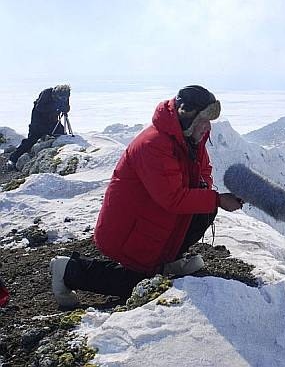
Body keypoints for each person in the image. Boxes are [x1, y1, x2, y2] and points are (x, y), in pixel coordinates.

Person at [50, 85, 243, 307]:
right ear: (187, 116)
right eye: (203, 119)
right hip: (128, 231)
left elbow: (203, 169)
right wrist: (216, 199)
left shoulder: (189, 138)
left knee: (203, 208)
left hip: (152, 220)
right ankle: (68, 270)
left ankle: (166, 262)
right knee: (137, 285)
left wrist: (204, 188)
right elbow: (173, 198)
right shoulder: (154, 145)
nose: (207, 126)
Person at [8, 84, 71, 168]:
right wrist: (56, 108)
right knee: (31, 140)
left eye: (64, 98)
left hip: (52, 120)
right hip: (38, 121)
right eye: (60, 97)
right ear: (56, 93)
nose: (62, 99)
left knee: (62, 135)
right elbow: (40, 107)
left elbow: (66, 107)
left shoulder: (64, 95)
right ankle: (13, 159)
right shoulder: (46, 93)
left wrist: (65, 108)